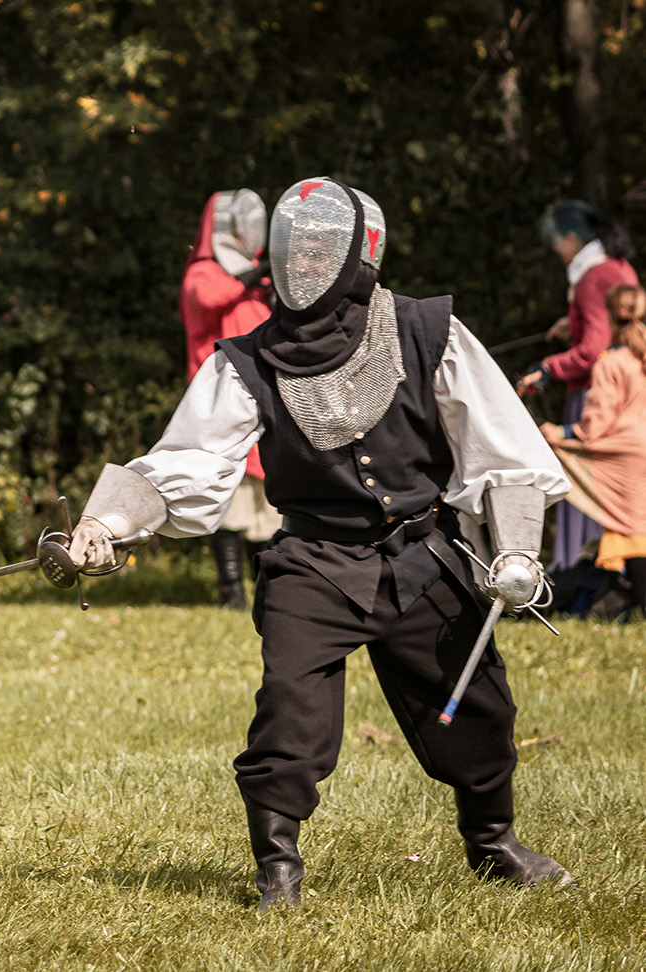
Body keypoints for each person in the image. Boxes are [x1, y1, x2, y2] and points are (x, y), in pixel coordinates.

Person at [67, 177, 573, 909]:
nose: (303, 261)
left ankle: (493, 844)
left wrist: (515, 549)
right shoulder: (246, 358)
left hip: (421, 557)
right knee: (286, 714)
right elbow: (188, 460)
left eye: (319, 247)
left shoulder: (427, 330)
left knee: (479, 712)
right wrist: (102, 525)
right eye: (293, 247)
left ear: (358, 254)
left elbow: (498, 443)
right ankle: (277, 873)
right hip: (312, 563)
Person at [517, 201, 639, 572]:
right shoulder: (620, 267)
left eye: (557, 241)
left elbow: (592, 351)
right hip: (634, 397)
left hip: (594, 395)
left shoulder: (590, 277)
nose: (556, 250)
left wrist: (547, 368)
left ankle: (578, 569)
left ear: (570, 237)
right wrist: (571, 323)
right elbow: (612, 326)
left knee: (585, 486)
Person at [179, 189, 281, 608]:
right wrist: (250, 276)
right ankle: (231, 593)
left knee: (266, 508)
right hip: (223, 405)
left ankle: (266, 590)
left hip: (266, 400)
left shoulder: (258, 284)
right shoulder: (203, 273)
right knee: (231, 502)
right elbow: (209, 298)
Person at [541, 283, 646, 619]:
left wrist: (557, 432)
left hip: (623, 459)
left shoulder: (610, 363)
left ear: (608, 317)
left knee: (629, 531)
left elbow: (594, 428)